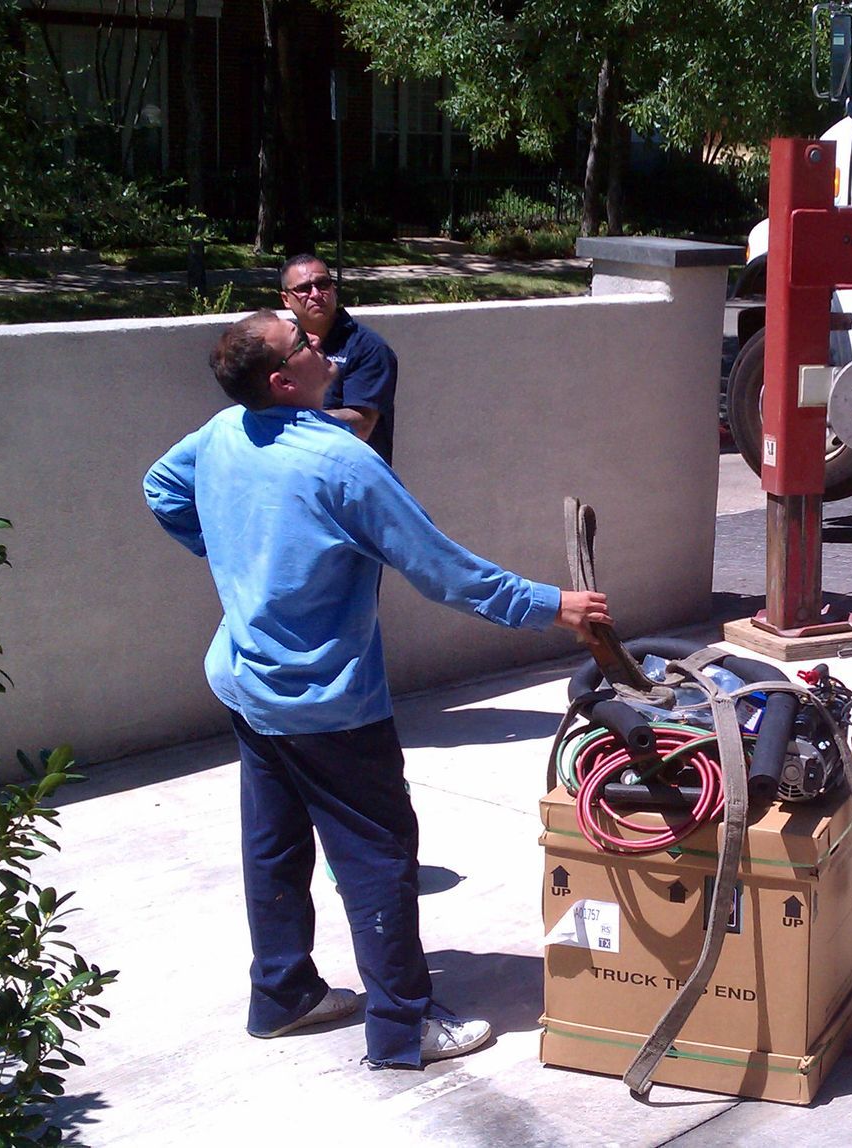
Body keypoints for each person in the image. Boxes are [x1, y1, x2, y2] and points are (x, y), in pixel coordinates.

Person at [143, 310, 610, 1069]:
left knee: (275, 845)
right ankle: (402, 1027)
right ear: (282, 380)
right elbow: (442, 569)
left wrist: (237, 554)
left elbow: (161, 487)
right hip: (327, 705)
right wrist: (554, 606)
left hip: (249, 685)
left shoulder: (225, 431)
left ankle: (284, 995)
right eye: (303, 342)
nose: (319, 341)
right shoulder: (342, 463)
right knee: (378, 855)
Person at [280, 253, 400, 464]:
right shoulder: (284, 347)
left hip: (352, 474)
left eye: (323, 284)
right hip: (300, 469)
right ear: (286, 300)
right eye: (304, 288)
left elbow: (361, 425)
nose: (316, 294)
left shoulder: (368, 348)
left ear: (334, 289)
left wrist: (288, 420)